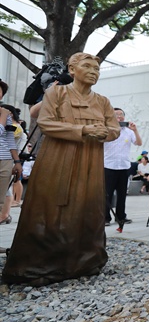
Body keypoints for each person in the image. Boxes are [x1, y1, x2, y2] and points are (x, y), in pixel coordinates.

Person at [2, 53, 120, 286]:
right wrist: (84, 131)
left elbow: (114, 129)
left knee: (87, 204)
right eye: (87, 66)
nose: (93, 71)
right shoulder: (56, 92)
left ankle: (84, 258)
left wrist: (104, 132)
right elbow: (45, 123)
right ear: (72, 70)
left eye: (97, 68)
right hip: (59, 159)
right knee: (53, 205)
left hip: (91, 161)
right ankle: (50, 258)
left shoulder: (103, 101)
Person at [104, 108, 142, 226]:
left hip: (124, 166)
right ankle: (105, 218)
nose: (119, 117)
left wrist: (135, 130)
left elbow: (139, 143)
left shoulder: (129, 131)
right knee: (107, 194)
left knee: (122, 194)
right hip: (109, 166)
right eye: (116, 115)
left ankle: (121, 216)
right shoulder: (107, 130)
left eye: (121, 115)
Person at [0, 81, 22, 228]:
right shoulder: (4, 114)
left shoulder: (6, 115)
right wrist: (2, 115)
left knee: (0, 201)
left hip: (5, 160)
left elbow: (9, 137)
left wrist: (17, 161)